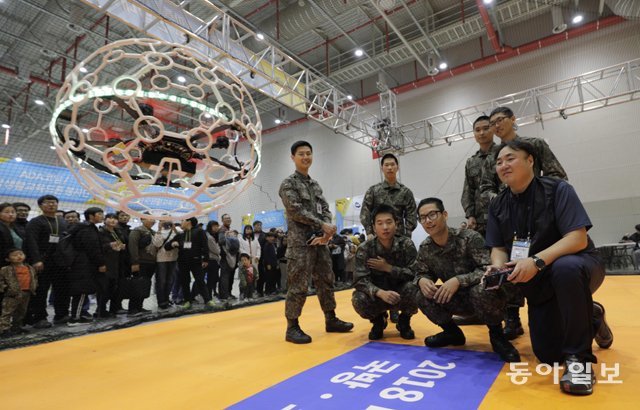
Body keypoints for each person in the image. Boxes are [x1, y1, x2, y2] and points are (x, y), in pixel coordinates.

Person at [485, 140, 613, 395]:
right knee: (549, 356)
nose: (503, 165)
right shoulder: (498, 204)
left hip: (579, 266)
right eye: (499, 162)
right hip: (538, 281)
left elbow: (578, 239)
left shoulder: (558, 190)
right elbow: (498, 247)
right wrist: (497, 269)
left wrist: (537, 261)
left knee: (565, 267)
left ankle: (580, 361)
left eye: (510, 158)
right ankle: (593, 315)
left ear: (530, 160)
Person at [481, 106, 569, 340]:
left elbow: (557, 175)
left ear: (512, 120)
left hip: (540, 223)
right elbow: (484, 188)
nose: (496, 126)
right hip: (509, 223)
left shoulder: (534, 144)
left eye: (500, 120)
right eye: (493, 123)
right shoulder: (491, 157)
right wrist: (504, 201)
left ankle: (584, 312)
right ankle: (512, 317)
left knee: (557, 272)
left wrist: (534, 196)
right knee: (507, 268)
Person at [412, 197, 520, 363]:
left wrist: (458, 280)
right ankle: (452, 333)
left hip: (486, 297)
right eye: (423, 217)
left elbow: (488, 270)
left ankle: (497, 337)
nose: (428, 221)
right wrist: (422, 280)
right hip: (456, 299)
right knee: (421, 294)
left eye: (432, 214)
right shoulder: (426, 248)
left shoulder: (469, 238)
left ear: (445, 215)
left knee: (481, 290)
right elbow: (420, 272)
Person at [279, 140, 353, 344]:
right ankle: (292, 327)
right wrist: (322, 224)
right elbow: (295, 210)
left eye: (308, 153)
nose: (305, 157)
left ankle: (331, 319)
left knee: (326, 280)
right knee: (298, 285)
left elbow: (325, 208)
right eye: (301, 153)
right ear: (292, 157)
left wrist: (328, 228)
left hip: (320, 242)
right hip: (300, 244)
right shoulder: (288, 184)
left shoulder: (315, 185)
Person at [352, 205, 418, 340]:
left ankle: (404, 321)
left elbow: (415, 273)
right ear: (373, 227)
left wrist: (388, 268)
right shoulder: (365, 249)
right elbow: (359, 280)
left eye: (389, 222)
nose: (385, 227)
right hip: (377, 295)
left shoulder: (406, 244)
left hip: (401, 293)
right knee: (359, 298)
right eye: (380, 223)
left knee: (417, 288)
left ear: (397, 224)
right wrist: (379, 292)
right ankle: (378, 321)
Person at [24, 195, 69, 328]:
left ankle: (61, 315)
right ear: (40, 206)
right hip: (43, 262)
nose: (51, 205)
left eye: (54, 202)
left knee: (62, 290)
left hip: (60, 262)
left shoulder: (62, 221)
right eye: (48, 203)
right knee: (41, 291)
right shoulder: (36, 222)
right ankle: (40, 318)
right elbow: (31, 242)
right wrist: (37, 260)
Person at [360, 153, 417, 238]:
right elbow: (365, 212)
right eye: (386, 165)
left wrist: (407, 235)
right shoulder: (373, 191)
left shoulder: (405, 192)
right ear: (382, 168)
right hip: (378, 238)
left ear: (397, 167)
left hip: (399, 238)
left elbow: (411, 215)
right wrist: (369, 233)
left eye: (392, 165)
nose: (390, 168)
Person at [67, 207, 107, 326]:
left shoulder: (87, 228)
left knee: (83, 291)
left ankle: (79, 315)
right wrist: (101, 263)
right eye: (99, 214)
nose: (102, 216)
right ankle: (74, 319)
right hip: (83, 265)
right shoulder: (86, 229)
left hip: (83, 263)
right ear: (91, 216)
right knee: (81, 292)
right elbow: (92, 249)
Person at [461, 116, 499, 236]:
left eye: (486, 128)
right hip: (479, 221)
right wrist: (470, 215)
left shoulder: (503, 153)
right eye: (477, 130)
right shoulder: (471, 162)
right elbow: (468, 191)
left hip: (502, 215)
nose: (481, 133)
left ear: (492, 129)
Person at [171, 217, 213, 309]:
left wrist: (206, 259)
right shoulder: (181, 234)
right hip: (182, 262)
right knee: (185, 282)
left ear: (189, 222)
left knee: (200, 280)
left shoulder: (199, 231)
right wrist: (173, 243)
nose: (181, 222)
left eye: (183, 220)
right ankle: (187, 301)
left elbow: (205, 245)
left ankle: (208, 300)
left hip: (196, 261)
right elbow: (168, 246)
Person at [0, 248, 37, 336]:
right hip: (12, 294)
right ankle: (4, 329)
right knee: (7, 312)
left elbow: (34, 278)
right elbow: (1, 280)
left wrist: (34, 286)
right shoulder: (5, 269)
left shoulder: (30, 268)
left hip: (26, 292)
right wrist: (4, 288)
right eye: (14, 255)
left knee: (21, 311)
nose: (18, 256)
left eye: (20, 254)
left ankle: (16, 327)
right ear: (7, 259)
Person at [98, 213, 127, 317]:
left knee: (114, 288)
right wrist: (109, 245)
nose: (112, 220)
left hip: (117, 263)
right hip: (105, 263)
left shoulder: (117, 231)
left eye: (114, 219)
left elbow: (120, 244)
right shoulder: (100, 232)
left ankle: (112, 309)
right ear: (104, 220)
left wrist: (122, 246)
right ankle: (100, 310)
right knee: (104, 289)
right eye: (109, 218)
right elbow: (97, 247)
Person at [128, 215, 156, 316]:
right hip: (141, 262)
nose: (152, 220)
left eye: (153, 218)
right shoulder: (137, 231)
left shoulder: (153, 232)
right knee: (137, 285)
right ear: (142, 219)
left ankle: (139, 307)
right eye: (149, 218)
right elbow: (133, 246)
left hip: (151, 263)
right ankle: (132, 310)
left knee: (144, 286)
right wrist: (135, 262)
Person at [205, 220, 221, 298]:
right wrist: (218, 248)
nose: (216, 228)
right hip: (211, 260)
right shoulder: (210, 237)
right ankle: (208, 297)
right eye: (214, 226)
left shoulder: (212, 235)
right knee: (210, 280)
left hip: (211, 260)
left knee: (210, 280)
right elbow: (217, 251)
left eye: (217, 226)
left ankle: (208, 296)